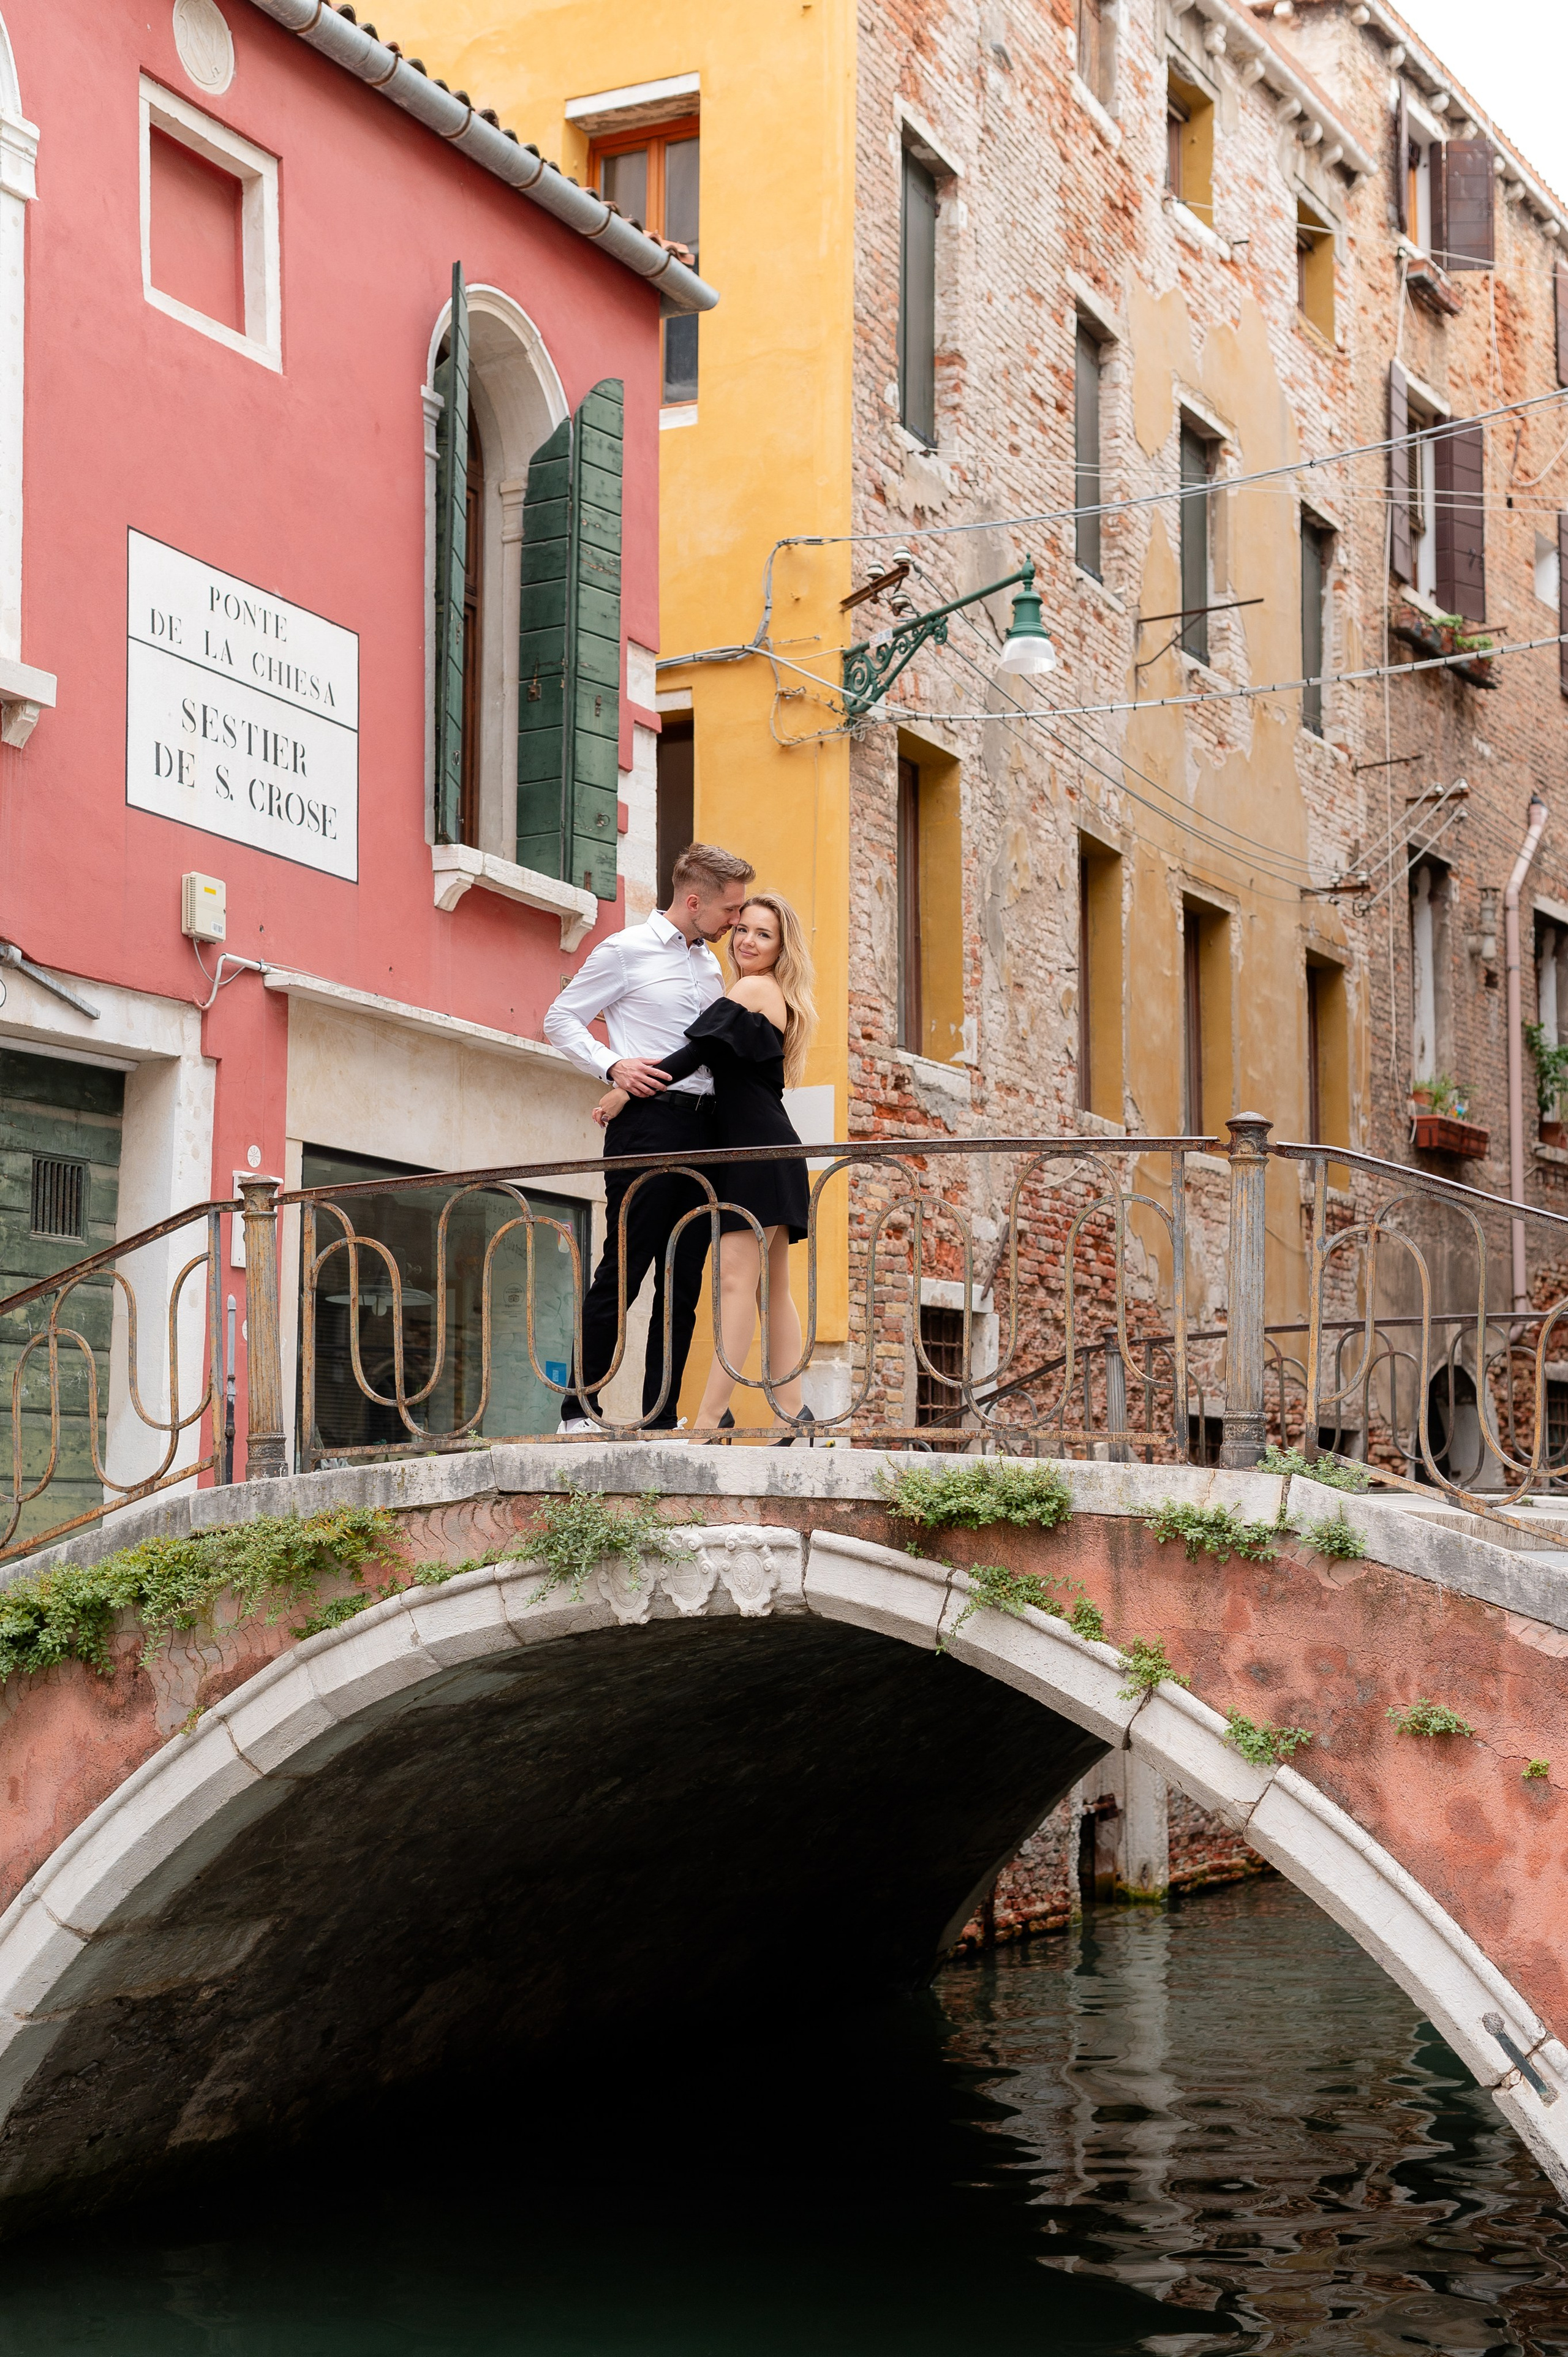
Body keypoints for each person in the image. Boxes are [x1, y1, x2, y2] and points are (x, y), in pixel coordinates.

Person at [543, 842, 755, 1431]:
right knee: (626, 1269)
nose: (736, 921)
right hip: (650, 1124)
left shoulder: (711, 964)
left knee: (683, 1280)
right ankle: (577, 1409)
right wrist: (613, 1067)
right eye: (730, 910)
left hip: (707, 1130)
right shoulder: (624, 950)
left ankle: (661, 1417)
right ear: (694, 901)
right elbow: (560, 1018)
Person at [593, 892, 817, 1438]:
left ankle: (712, 1420)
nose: (746, 941)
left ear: (782, 947)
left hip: (753, 1154)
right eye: (743, 930)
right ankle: (795, 1415)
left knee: (740, 1287)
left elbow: (694, 1053)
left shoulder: (753, 987)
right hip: (771, 1151)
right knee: (772, 1290)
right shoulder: (772, 992)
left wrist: (627, 1092)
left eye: (764, 935)